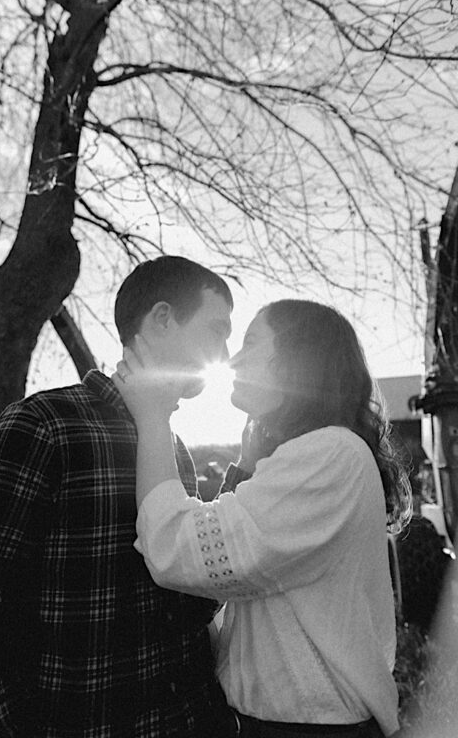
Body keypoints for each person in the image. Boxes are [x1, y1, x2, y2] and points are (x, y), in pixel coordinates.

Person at [0, 256, 236, 737]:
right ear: (163, 318)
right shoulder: (43, 425)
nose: (224, 353)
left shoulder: (173, 452)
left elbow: (178, 615)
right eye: (215, 331)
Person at [122, 299, 411, 737]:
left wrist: (153, 417)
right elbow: (244, 549)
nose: (233, 358)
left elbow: (178, 551)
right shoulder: (316, 454)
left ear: (298, 359)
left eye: (251, 343)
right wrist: (247, 464)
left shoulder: (330, 453)